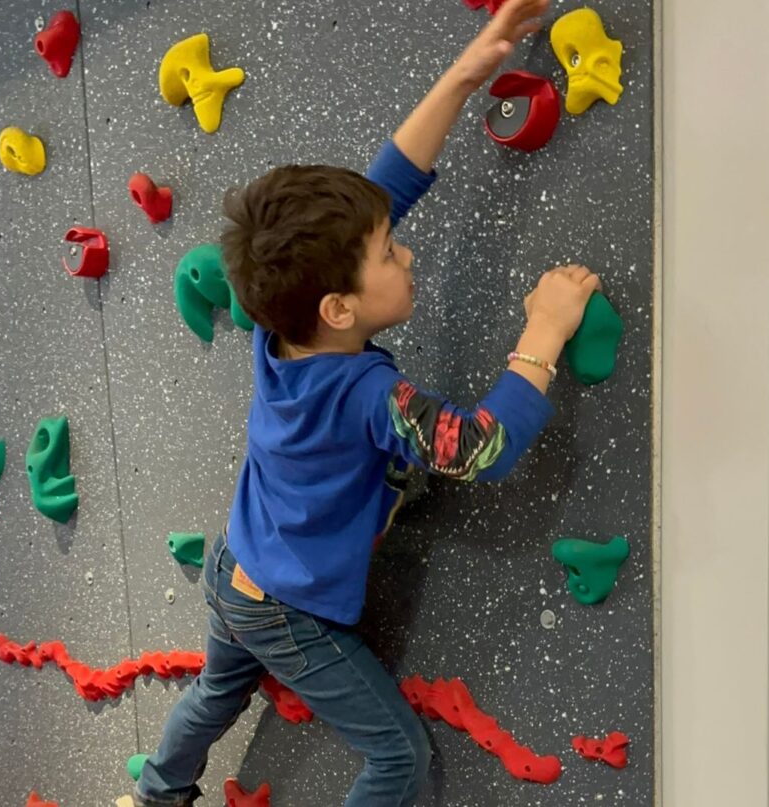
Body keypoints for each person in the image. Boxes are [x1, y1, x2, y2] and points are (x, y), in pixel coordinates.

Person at [132, 0, 600, 804]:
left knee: (214, 693)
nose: (405, 249)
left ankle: (153, 794)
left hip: (235, 568)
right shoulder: (366, 396)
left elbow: (385, 186)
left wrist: (465, 71)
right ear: (339, 309)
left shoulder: (280, 327)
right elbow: (477, 448)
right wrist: (544, 332)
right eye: (389, 253)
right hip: (285, 610)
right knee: (396, 759)